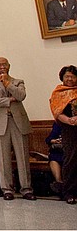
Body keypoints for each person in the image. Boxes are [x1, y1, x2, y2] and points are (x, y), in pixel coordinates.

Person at [0, 56, 35, 200]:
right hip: (1, 123)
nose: (2, 66)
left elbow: (21, 95)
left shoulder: (18, 82)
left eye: (4, 64)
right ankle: (7, 189)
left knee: (22, 157)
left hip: (18, 122)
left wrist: (7, 84)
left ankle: (26, 188)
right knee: (3, 158)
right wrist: (8, 100)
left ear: (9, 66)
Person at [50, 65, 77, 203]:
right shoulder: (58, 92)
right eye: (67, 76)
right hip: (68, 130)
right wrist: (70, 120)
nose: (70, 79)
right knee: (70, 159)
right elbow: (56, 112)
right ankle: (69, 192)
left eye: (72, 76)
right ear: (62, 77)